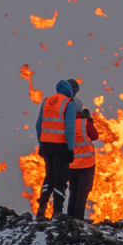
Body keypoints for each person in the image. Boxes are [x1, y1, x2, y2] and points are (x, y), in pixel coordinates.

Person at [34, 79, 79, 219]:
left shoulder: (46, 101)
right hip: (60, 147)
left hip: (46, 146)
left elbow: (38, 125)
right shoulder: (68, 104)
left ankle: (41, 209)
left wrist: (42, 144)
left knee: (49, 176)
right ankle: (57, 212)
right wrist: (70, 149)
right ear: (72, 91)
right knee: (61, 178)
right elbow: (70, 129)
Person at [67, 100, 99, 220]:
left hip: (71, 164)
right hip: (87, 164)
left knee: (73, 191)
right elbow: (94, 136)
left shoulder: (65, 123)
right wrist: (90, 121)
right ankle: (79, 218)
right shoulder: (84, 123)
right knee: (83, 192)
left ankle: (71, 218)